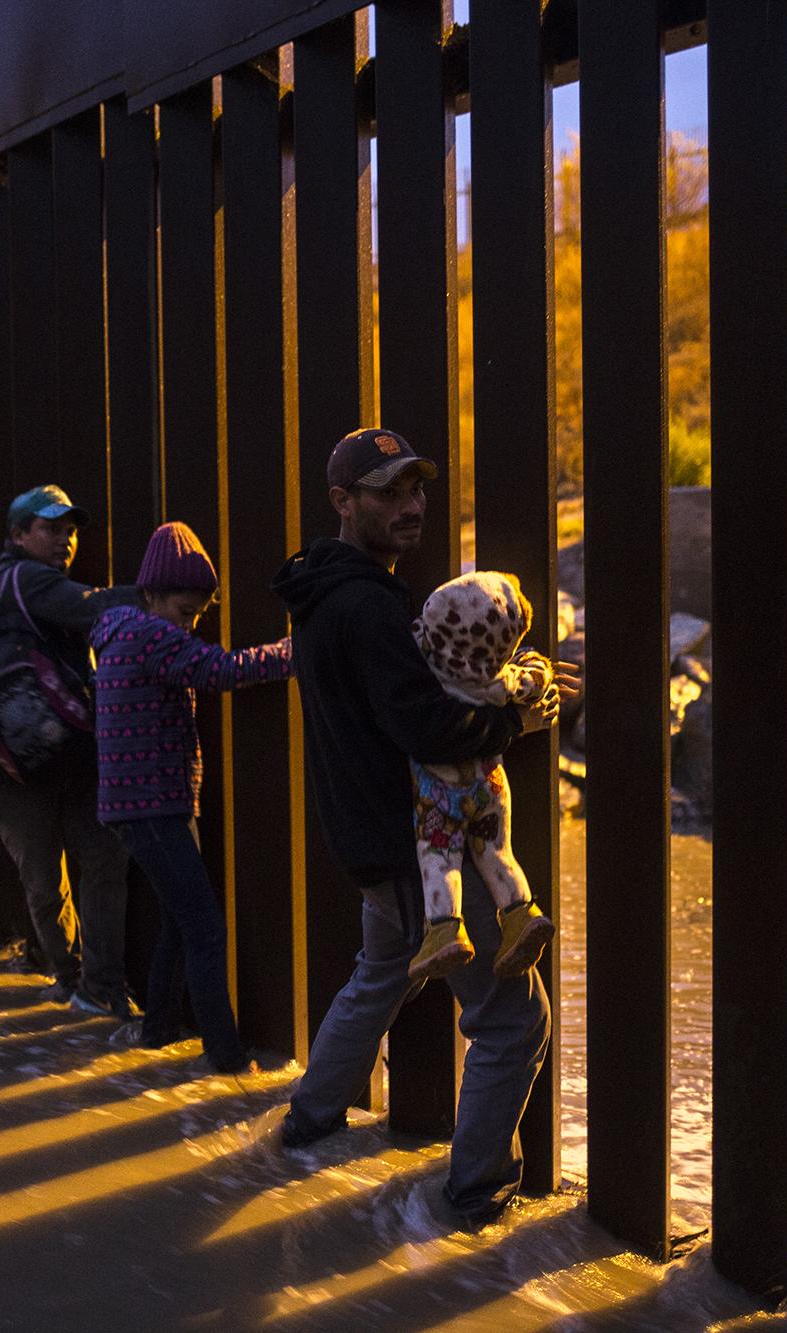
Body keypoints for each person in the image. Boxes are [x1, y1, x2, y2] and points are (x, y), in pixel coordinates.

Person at [270, 427, 579, 1229]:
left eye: (417, 490)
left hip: (372, 844)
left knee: (383, 973)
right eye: (388, 492)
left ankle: (307, 1121)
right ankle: (473, 1198)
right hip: (415, 849)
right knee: (514, 1020)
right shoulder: (369, 608)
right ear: (344, 501)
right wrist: (516, 715)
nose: (411, 506)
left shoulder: (324, 591)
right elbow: (429, 729)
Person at [91, 521, 293, 1073]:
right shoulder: (149, 637)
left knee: (182, 922)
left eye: (199, 616)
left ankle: (157, 1032)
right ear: (151, 595)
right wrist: (291, 651)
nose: (191, 627)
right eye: (184, 612)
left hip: (145, 806)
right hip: (154, 806)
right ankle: (224, 1058)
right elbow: (219, 670)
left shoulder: (122, 635)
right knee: (206, 927)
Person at [0, 485, 141, 1015]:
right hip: (32, 755)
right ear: (18, 535)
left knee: (48, 873)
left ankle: (73, 980)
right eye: (51, 528)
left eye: (70, 531)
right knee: (91, 862)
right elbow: (89, 608)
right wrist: (163, 590)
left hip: (20, 754)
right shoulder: (27, 578)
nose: (65, 539)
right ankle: (90, 985)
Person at [406, 571, 558, 981]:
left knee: (438, 856)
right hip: (489, 784)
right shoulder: (500, 679)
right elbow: (535, 677)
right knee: (496, 851)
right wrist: (533, 664)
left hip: (440, 791)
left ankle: (445, 930)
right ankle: (522, 914)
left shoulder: (429, 666)